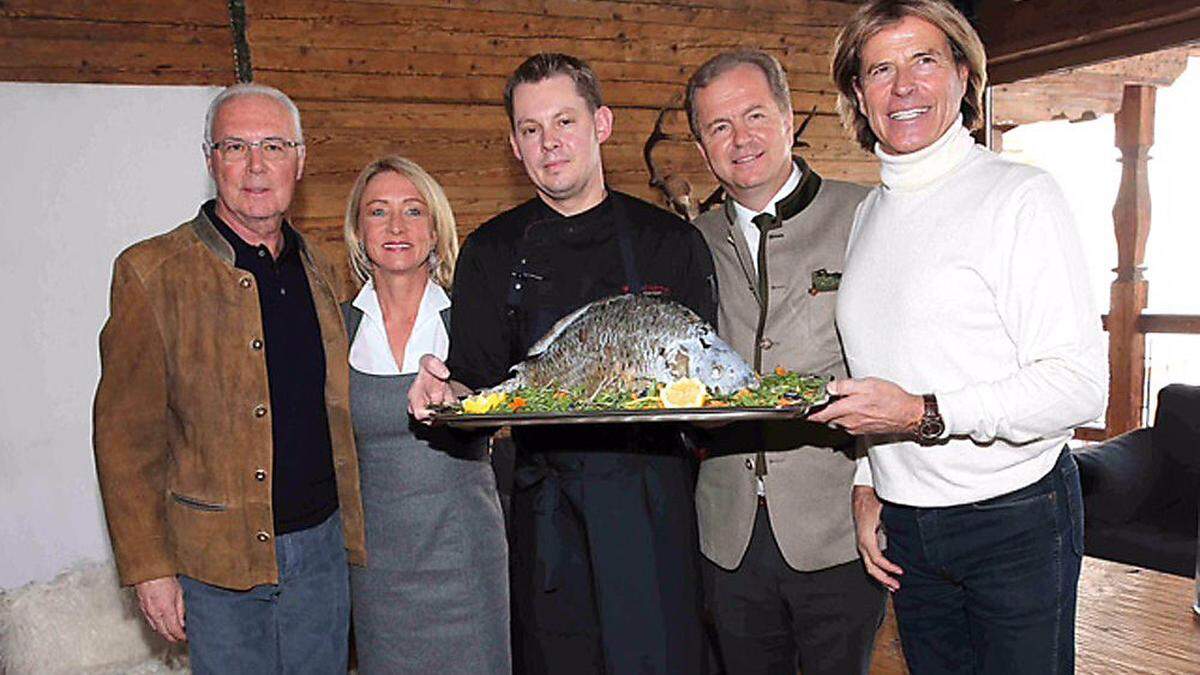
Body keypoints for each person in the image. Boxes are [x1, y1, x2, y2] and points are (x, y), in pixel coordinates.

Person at [810, 1, 1108, 672]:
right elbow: (883, 369)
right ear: (859, 94)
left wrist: (923, 412)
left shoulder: (1021, 196)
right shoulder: (869, 216)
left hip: (1015, 518)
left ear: (964, 75)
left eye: (925, 61)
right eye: (881, 69)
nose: (904, 87)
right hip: (909, 528)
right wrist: (868, 481)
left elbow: (1079, 384)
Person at [409, 53, 716, 674]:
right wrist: (444, 393)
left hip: (652, 507)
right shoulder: (492, 250)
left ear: (601, 123)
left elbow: (706, 382)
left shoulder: (671, 242)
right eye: (530, 130)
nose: (549, 144)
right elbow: (478, 380)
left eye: (564, 122)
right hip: (546, 512)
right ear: (515, 146)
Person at [92, 83, 366, 673]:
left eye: (273, 145)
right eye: (235, 146)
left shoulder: (321, 267)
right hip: (216, 569)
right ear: (210, 159)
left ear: (301, 158)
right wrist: (150, 568)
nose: (256, 166)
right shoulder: (151, 273)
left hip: (321, 554)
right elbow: (124, 436)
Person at [683, 49, 886, 675]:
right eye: (718, 127)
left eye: (754, 116)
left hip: (837, 531)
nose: (740, 139)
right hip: (725, 534)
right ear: (701, 145)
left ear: (790, 116)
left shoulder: (868, 216)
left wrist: (876, 485)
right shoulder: (689, 241)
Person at [340, 156, 510, 673]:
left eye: (413, 211)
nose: (396, 227)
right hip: (375, 575)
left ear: (435, 231)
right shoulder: (332, 330)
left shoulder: (476, 324)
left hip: (468, 564)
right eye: (378, 212)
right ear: (357, 230)